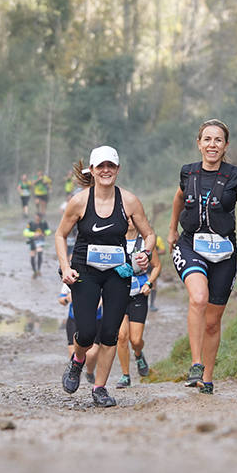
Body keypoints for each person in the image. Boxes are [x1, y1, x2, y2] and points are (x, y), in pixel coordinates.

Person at [167, 119, 237, 394]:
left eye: (218, 140)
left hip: (224, 251)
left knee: (213, 322)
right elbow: (178, 198)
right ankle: (196, 364)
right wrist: (170, 232)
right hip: (190, 244)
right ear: (199, 143)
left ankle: (208, 379)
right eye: (207, 139)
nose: (212, 145)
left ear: (225, 146)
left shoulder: (235, 175)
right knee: (198, 297)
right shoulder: (187, 173)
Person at [55, 146, 155, 407]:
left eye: (111, 165)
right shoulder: (79, 202)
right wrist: (65, 267)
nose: (106, 170)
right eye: (101, 166)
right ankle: (78, 361)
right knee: (87, 332)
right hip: (84, 271)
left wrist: (145, 253)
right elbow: (60, 235)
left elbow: (150, 233)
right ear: (92, 170)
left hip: (117, 272)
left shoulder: (129, 201)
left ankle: (99, 388)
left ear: (118, 169)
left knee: (110, 333)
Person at [115, 216, 162, 388]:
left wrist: (149, 283)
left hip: (139, 294)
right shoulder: (115, 241)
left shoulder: (145, 242)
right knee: (121, 337)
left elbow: (157, 266)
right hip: (118, 294)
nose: (128, 221)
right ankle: (125, 375)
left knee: (135, 339)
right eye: (125, 218)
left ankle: (138, 353)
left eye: (131, 218)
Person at [24, 212, 52, 278]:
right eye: (37, 217)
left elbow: (48, 231)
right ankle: (35, 271)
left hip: (40, 241)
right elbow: (25, 232)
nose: (37, 219)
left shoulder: (44, 223)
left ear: (41, 218)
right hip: (32, 241)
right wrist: (34, 234)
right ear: (35, 216)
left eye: (39, 217)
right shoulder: (30, 223)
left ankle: (39, 269)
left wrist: (44, 233)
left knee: (39, 253)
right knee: (32, 256)